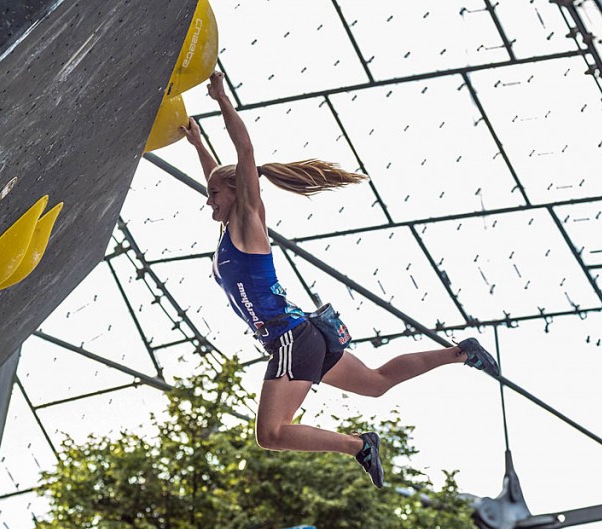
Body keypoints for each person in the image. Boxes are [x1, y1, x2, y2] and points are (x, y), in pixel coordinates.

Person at [181, 72, 500, 489]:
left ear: (237, 192)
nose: (209, 203)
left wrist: (223, 100)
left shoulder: (246, 220)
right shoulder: (230, 227)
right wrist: (198, 144)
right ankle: (460, 353)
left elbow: (243, 154)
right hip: (305, 334)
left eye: (214, 196)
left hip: (291, 337)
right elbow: (220, 175)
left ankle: (359, 445)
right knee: (375, 383)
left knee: (271, 434)